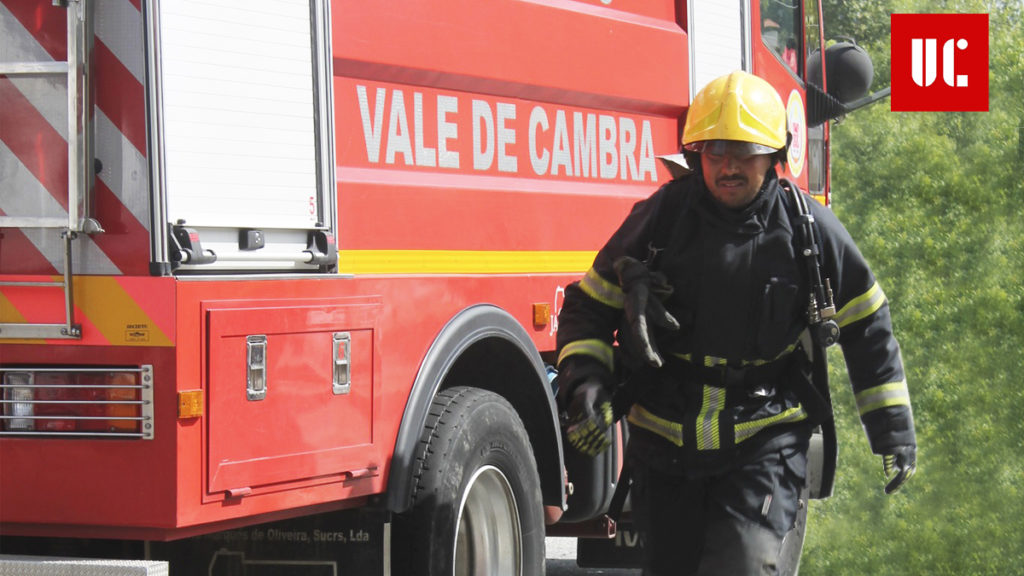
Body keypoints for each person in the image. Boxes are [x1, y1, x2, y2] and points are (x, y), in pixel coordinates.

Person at [555, 70, 917, 575]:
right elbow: (588, 306)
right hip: (666, 443)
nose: (728, 166)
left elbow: (867, 323)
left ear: (774, 156)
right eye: (715, 151)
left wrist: (893, 433)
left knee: (743, 565)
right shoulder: (660, 220)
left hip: (763, 440)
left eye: (743, 152)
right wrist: (585, 384)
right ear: (695, 153)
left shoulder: (807, 230)